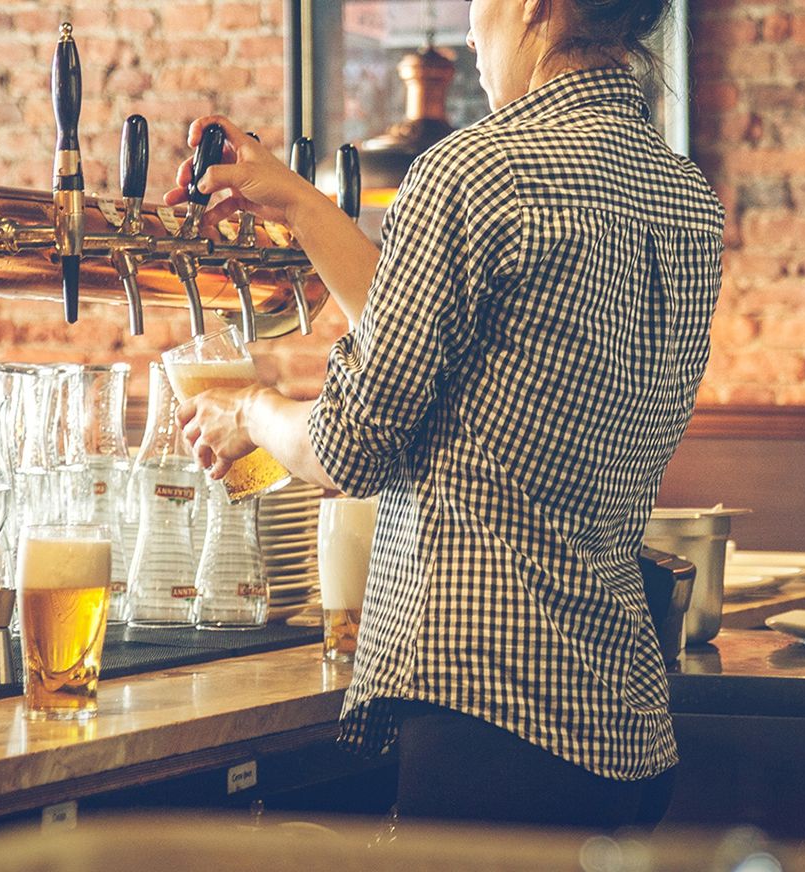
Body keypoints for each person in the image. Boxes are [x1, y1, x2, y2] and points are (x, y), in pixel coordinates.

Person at [168, 0, 723, 830]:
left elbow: (349, 446)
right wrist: (297, 203)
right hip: (624, 725)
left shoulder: (473, 170)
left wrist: (252, 409)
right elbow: (447, 343)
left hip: (492, 725)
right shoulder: (685, 195)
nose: (468, 29)